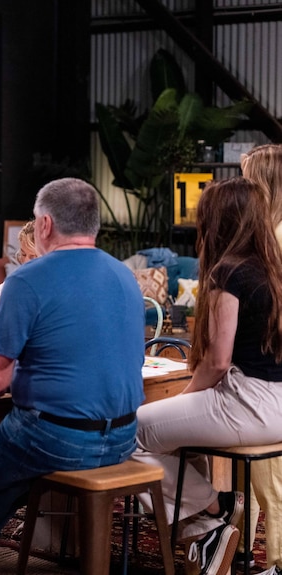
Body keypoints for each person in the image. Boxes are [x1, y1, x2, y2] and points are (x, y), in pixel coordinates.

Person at [0, 178, 146, 575]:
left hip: (55, 438)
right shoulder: (125, 276)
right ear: (94, 226)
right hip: (124, 437)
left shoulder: (27, 280)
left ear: (44, 225)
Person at [129, 176, 282, 575]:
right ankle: (205, 528)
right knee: (181, 439)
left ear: (216, 221)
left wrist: (182, 398)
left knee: (124, 432)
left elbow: (217, 361)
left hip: (248, 404)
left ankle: (215, 511)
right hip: (278, 406)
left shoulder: (228, 272)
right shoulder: (274, 270)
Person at [240, 143, 282, 574]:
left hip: (269, 376)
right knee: (255, 472)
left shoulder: (275, 240)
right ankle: (242, 550)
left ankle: (274, 561)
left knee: (269, 476)